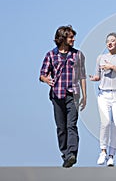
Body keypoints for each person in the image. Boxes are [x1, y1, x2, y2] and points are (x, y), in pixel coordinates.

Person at [39, 25, 87, 168]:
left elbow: (82, 76)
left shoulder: (78, 54)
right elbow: (42, 74)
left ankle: (72, 154)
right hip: (57, 95)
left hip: (73, 95)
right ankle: (66, 155)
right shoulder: (50, 55)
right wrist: (46, 79)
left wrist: (85, 96)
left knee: (71, 125)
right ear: (62, 38)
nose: (73, 39)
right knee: (61, 128)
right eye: (70, 37)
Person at [89, 33, 116, 167]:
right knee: (105, 123)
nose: (109, 43)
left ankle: (112, 155)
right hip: (103, 94)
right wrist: (94, 78)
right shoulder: (100, 58)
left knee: (115, 124)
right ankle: (103, 151)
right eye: (107, 41)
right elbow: (98, 75)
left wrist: (112, 67)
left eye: (112, 41)